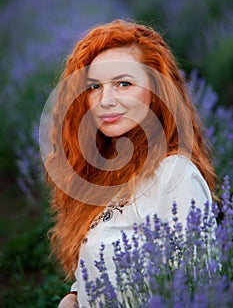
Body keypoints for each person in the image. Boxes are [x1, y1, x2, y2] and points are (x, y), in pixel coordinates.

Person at [44, 19, 216, 307]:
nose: (105, 100)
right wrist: (73, 296)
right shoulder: (103, 176)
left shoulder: (174, 175)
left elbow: (196, 290)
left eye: (124, 83)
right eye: (94, 86)